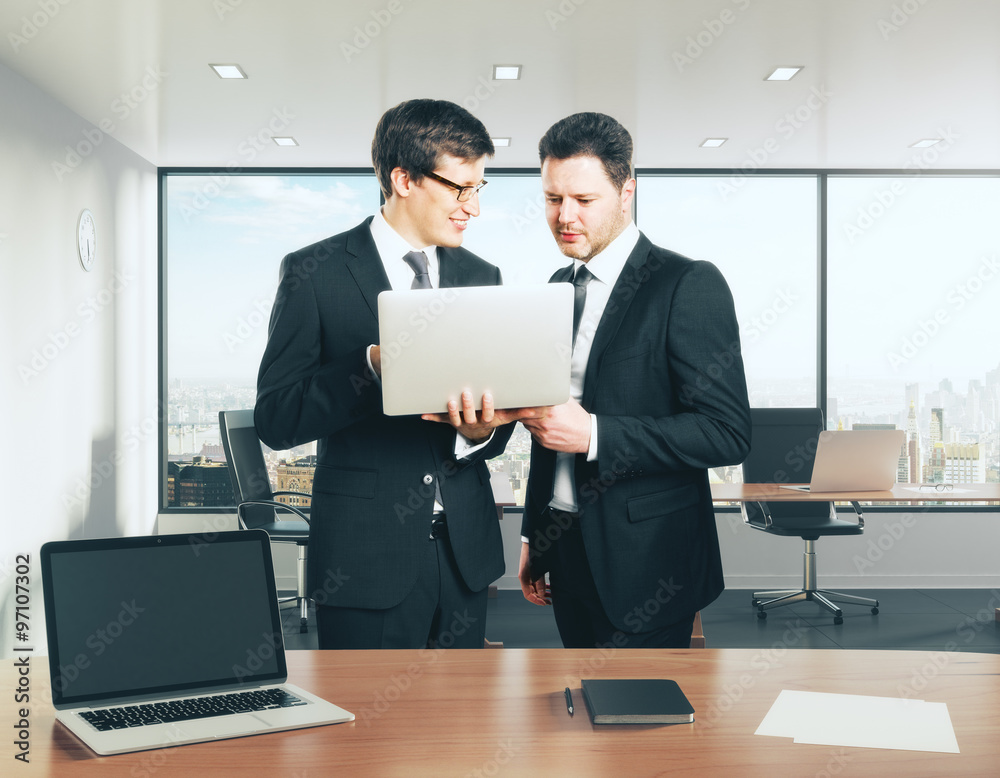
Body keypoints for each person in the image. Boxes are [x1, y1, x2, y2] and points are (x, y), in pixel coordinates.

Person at [255, 99, 531, 649]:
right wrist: (370, 367)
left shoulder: (482, 274)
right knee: (366, 732)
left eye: (480, 188)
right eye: (460, 188)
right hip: (364, 558)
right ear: (404, 179)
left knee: (457, 729)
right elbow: (277, 419)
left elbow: (494, 422)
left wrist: (481, 434)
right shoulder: (316, 272)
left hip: (464, 554)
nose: (472, 208)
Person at [518, 112, 752, 649]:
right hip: (566, 547)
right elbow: (547, 424)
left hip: (649, 559)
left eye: (583, 200)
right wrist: (536, 533)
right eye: (552, 199)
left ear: (627, 192)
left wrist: (597, 435)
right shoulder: (557, 286)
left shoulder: (687, 283)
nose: (564, 216)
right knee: (576, 715)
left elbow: (725, 432)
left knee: (644, 726)